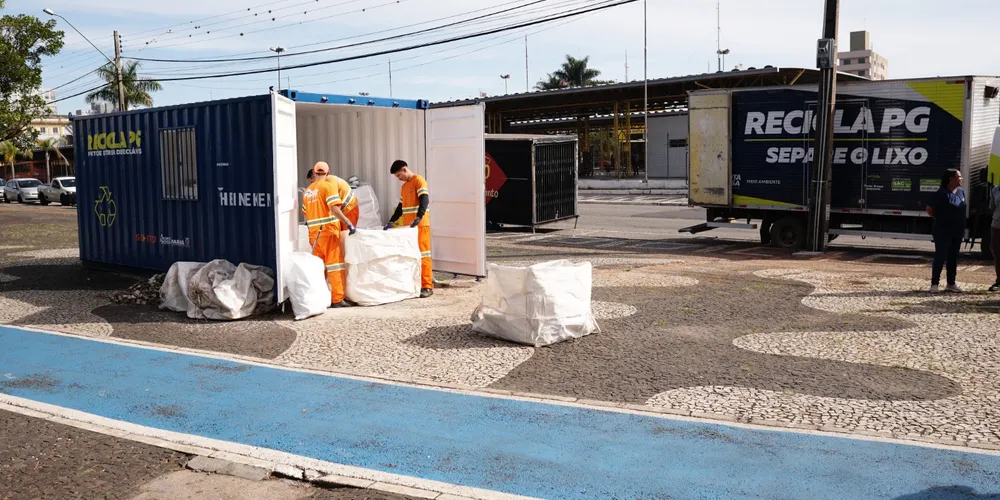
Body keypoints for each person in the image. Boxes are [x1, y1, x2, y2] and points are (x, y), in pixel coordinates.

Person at [301, 161, 358, 308]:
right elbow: (334, 209)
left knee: (320, 268)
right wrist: (348, 223)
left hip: (314, 235)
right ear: (327, 172)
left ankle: (318, 297)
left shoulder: (307, 191)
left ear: (314, 172)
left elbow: (306, 213)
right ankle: (337, 299)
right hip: (328, 232)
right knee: (335, 266)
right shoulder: (328, 186)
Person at [384, 160, 433, 298]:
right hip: (408, 227)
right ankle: (416, 284)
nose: (399, 179)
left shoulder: (419, 181)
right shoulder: (405, 187)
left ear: (404, 169)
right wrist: (392, 221)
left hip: (421, 225)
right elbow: (401, 207)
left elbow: (424, 199)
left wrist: (419, 216)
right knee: (412, 256)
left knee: (424, 255)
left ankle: (427, 286)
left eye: (399, 175)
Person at [925, 168, 966, 293]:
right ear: (951, 179)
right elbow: (929, 209)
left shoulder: (961, 191)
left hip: (957, 231)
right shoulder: (941, 193)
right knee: (941, 256)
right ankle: (934, 284)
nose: (961, 178)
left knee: (953, 257)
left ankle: (951, 283)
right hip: (943, 231)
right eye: (959, 176)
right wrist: (942, 219)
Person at [990, 182, 1000, 292]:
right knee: (997, 254)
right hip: (997, 225)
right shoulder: (995, 189)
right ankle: (999, 281)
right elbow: (992, 207)